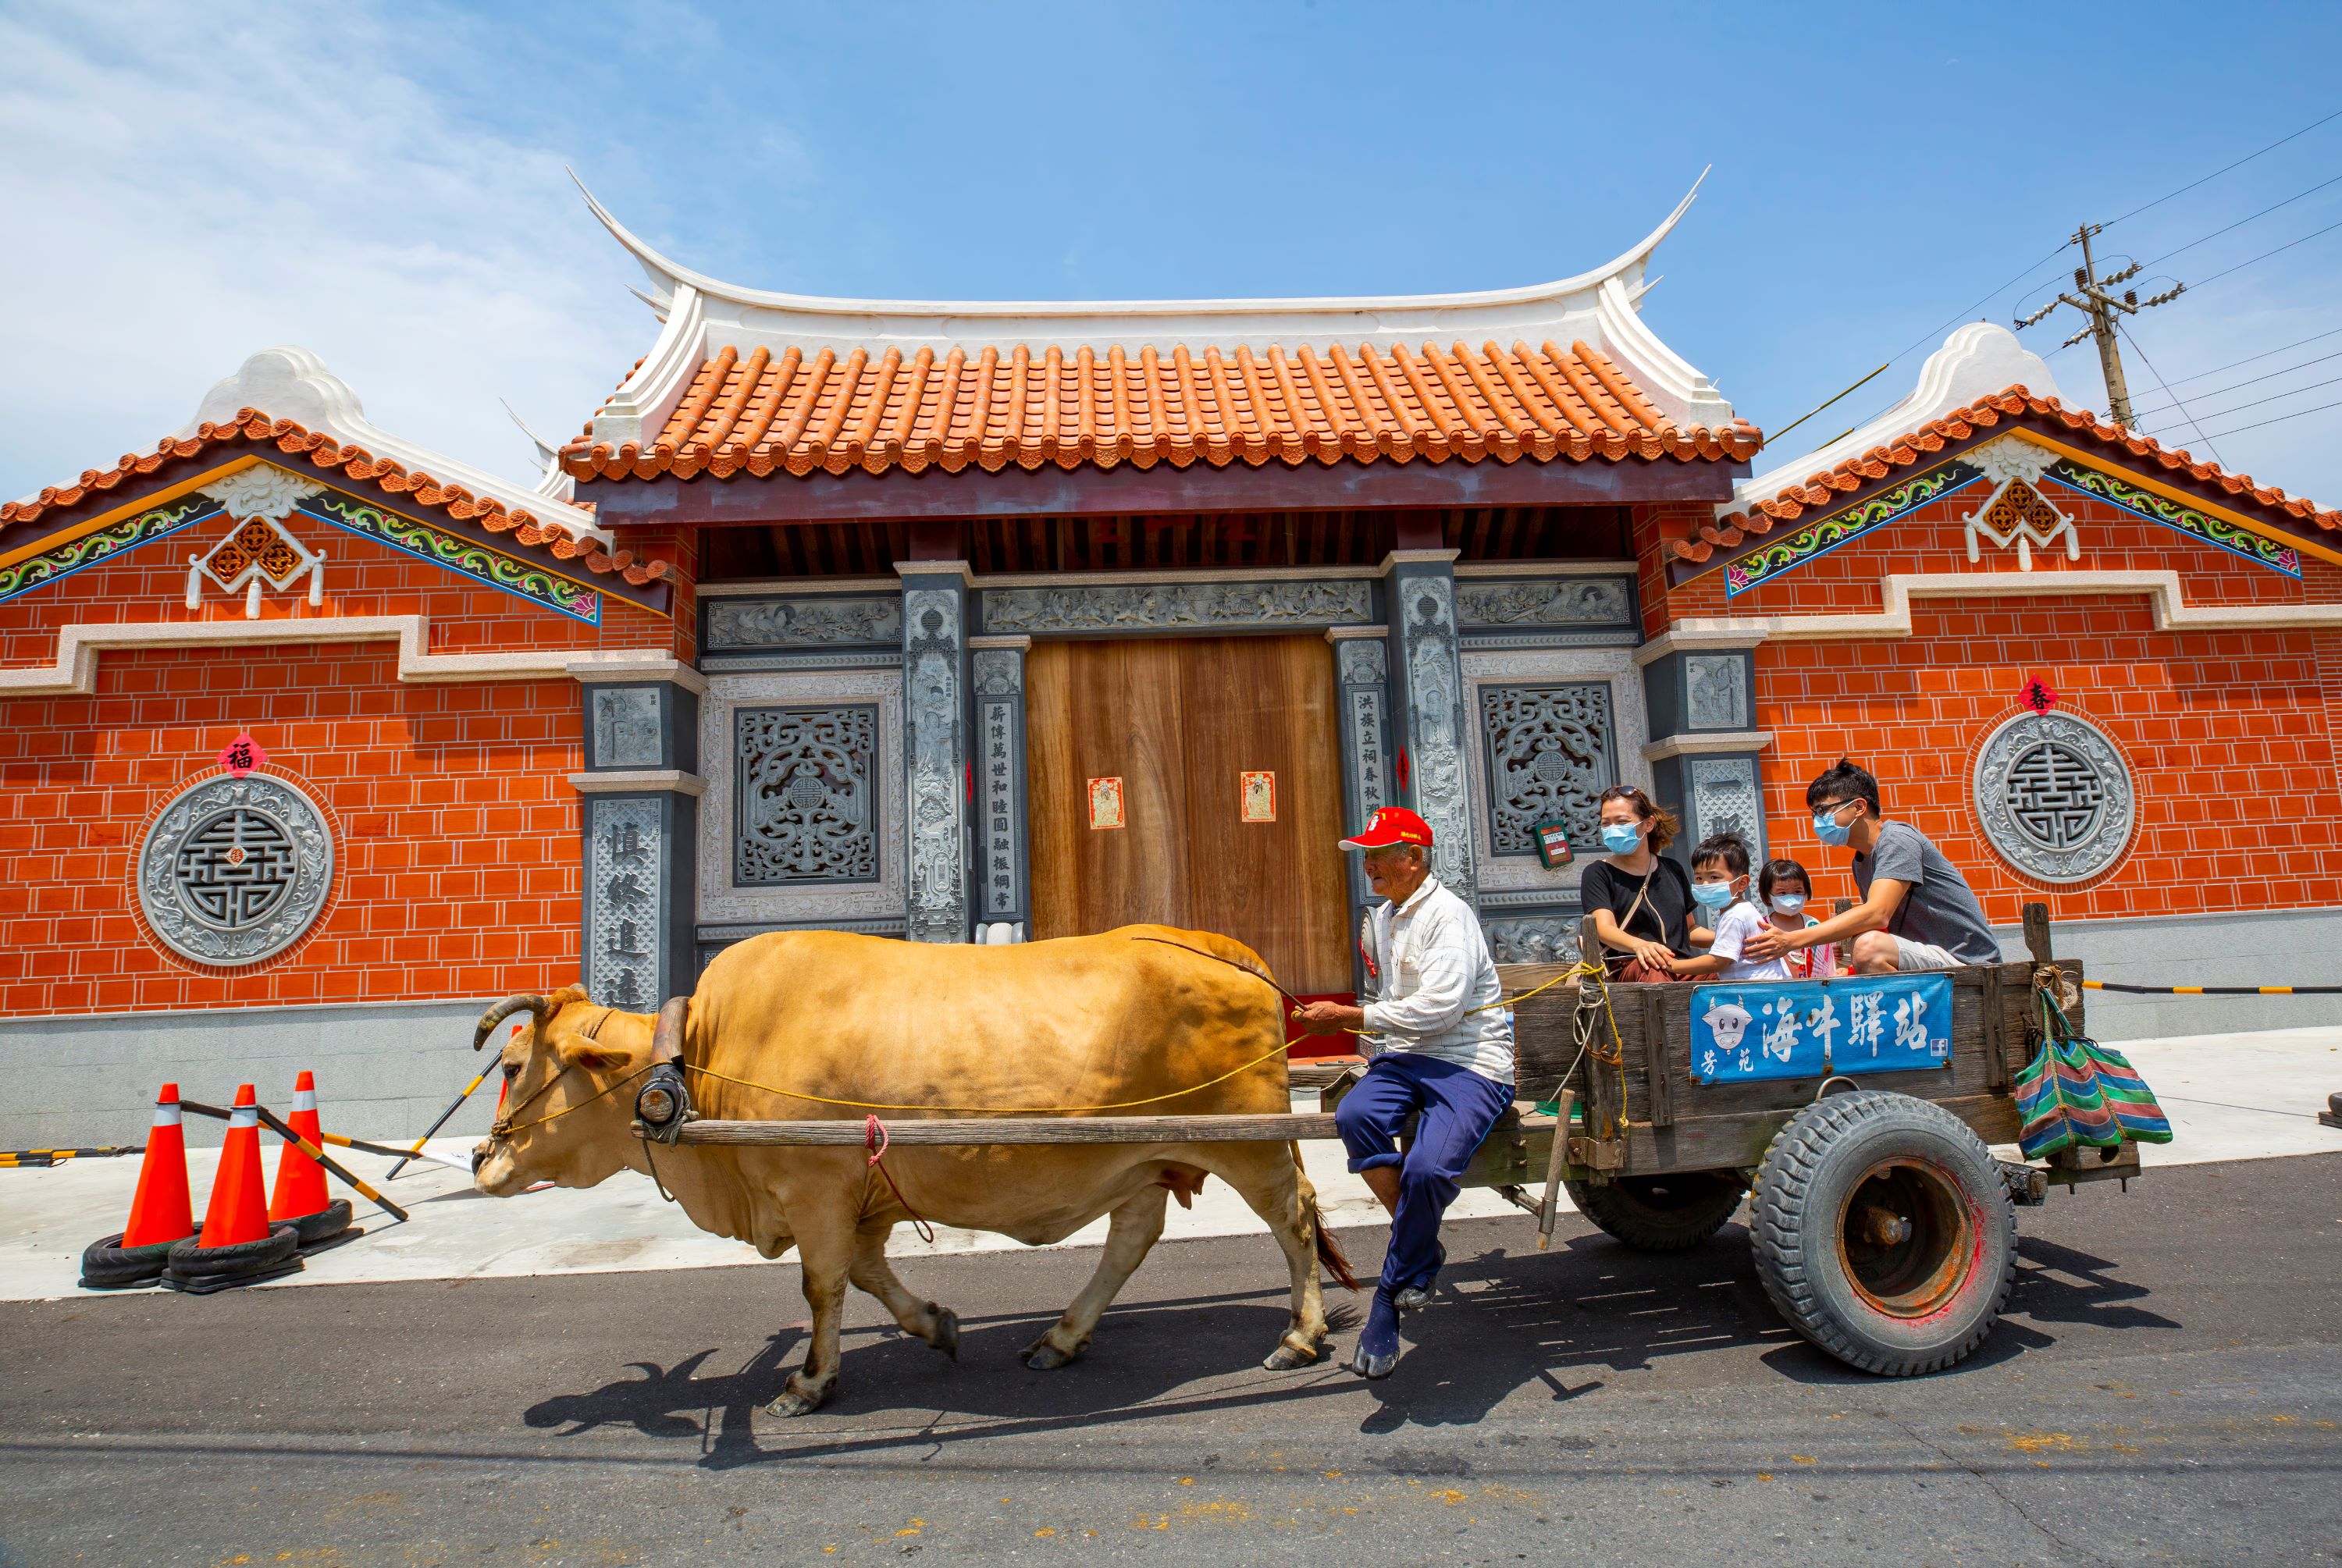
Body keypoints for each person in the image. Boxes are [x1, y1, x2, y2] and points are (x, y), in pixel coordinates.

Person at [1294, 806, 1514, 1381]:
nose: (1369, 869)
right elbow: (1400, 1008)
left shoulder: (1449, 914)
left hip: (1469, 1062)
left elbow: (1442, 1008)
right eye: (1366, 857)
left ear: (1413, 858)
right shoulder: (1388, 916)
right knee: (1356, 1114)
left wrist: (1352, 1014)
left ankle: (1388, 1296)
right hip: (1408, 1056)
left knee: (1427, 1172)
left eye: (1377, 856)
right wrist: (1366, 1036)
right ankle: (1419, 1246)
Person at [1742, 758, 2001, 974]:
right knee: (1860, 946)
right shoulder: (1861, 861)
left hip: (1967, 963)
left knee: (1867, 946)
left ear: (1858, 806)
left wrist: (1792, 940)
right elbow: (1880, 928)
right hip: (1922, 958)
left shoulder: (1897, 839)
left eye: (1823, 811)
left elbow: (1877, 914)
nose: (1817, 821)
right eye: (1814, 814)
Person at [1579, 784, 1696, 980]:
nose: (1613, 829)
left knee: (1717, 972)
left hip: (1679, 964)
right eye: (1606, 824)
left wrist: (1738, 939)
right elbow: (1604, 929)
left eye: (1622, 822)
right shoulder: (1597, 873)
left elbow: (1690, 929)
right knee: (1654, 973)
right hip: (1635, 966)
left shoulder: (1673, 869)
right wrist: (1640, 945)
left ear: (1648, 824)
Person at [1664, 833, 1776, 981]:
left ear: (1742, 883)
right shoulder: (1742, 910)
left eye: (1714, 877)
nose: (1705, 884)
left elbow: (1718, 961)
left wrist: (1673, 965)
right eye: (1699, 878)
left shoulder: (1735, 916)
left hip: (1755, 991)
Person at [1756, 857, 1838, 979]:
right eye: (1782, 893)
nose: (1791, 897)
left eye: (1797, 891)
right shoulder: (1761, 928)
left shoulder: (1813, 925)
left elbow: (1824, 961)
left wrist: (1834, 955)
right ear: (1768, 896)